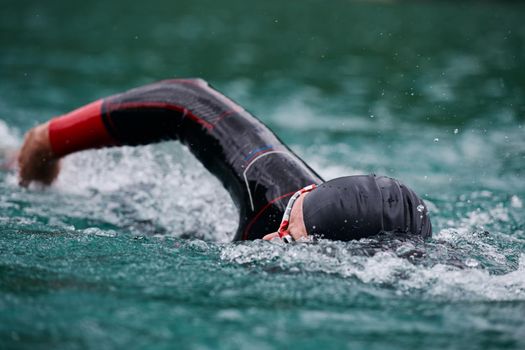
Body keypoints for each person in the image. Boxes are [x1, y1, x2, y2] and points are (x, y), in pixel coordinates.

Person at [17, 78, 432, 242]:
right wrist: (48, 140)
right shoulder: (273, 192)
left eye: (288, 239)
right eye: (285, 225)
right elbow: (188, 99)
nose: (273, 237)